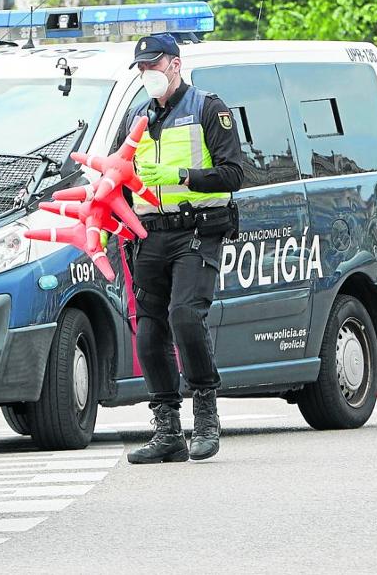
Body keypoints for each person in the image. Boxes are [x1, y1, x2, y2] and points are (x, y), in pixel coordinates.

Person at [115, 33, 244, 464]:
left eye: (153, 65)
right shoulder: (136, 116)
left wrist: (181, 175)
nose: (146, 74)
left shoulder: (208, 108)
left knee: (185, 316)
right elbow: (118, 173)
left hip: (197, 230)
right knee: (149, 329)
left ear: (175, 64)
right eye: (141, 67)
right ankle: (167, 428)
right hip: (149, 234)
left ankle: (205, 414)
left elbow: (232, 174)